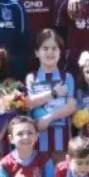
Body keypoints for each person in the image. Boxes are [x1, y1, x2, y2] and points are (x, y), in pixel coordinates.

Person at [25, 30, 77, 163]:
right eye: (45, 48)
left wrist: (49, 118)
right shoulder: (32, 77)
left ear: (60, 52)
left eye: (55, 48)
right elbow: (29, 103)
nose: (50, 52)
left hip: (62, 138)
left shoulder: (67, 77)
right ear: (37, 52)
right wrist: (53, 93)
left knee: (59, 176)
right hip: (37, 138)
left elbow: (71, 106)